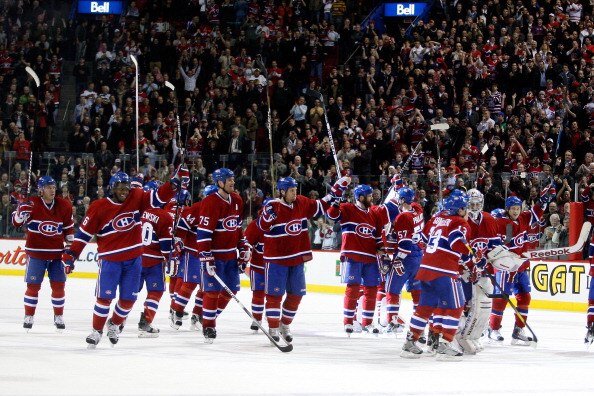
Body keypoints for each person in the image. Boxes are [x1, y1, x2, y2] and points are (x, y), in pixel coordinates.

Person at [62, 165, 189, 347]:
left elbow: (158, 197)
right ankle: (96, 331)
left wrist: (174, 184)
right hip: (110, 260)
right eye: (121, 188)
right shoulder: (99, 207)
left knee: (129, 299)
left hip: (134, 260)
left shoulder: (136, 197)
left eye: (127, 188)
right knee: (104, 298)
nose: (124, 192)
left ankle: (114, 323)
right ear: (112, 188)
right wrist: (71, 255)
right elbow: (83, 235)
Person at [258, 176, 350, 343]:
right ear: (282, 191)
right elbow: (262, 227)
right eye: (291, 190)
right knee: (274, 296)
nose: (295, 193)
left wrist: (337, 190)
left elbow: (321, 206)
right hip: (276, 259)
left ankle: (284, 324)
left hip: (297, 258)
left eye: (295, 190)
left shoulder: (301, 202)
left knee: (297, 295)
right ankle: (272, 327)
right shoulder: (272, 206)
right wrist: (266, 217)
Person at [400, 193, 472, 361]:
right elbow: (456, 242)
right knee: (456, 306)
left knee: (425, 307)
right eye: (465, 207)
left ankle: (410, 344)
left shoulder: (435, 219)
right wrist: (472, 257)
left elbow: (422, 241)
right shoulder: (460, 222)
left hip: (425, 269)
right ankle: (445, 345)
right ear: (460, 209)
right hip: (444, 270)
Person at [179, 168, 247, 343]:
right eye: (229, 179)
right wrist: (206, 256)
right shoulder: (210, 202)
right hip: (215, 256)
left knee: (232, 290)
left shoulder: (238, 200)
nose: (233, 182)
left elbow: (237, 228)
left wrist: (243, 245)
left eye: (233, 179)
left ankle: (209, 316)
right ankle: (209, 326)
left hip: (230, 256)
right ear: (220, 182)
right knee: (211, 292)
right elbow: (203, 234)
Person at [326, 184, 399, 334]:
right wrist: (335, 202)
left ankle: (367, 323)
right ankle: (348, 322)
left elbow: (378, 236)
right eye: (369, 196)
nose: (372, 199)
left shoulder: (373, 214)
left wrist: (383, 252)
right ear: (360, 197)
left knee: (371, 289)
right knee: (353, 288)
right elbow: (331, 215)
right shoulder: (347, 208)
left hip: (370, 257)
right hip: (352, 255)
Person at [488, 185, 553, 345]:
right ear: (508, 209)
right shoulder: (500, 223)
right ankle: (493, 329)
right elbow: (494, 245)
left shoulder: (524, 218)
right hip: (506, 266)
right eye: (513, 209)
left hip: (521, 266)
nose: (516, 211)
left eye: (518, 208)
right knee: (501, 298)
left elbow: (536, 212)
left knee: (525, 296)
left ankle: (518, 329)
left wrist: (543, 200)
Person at [12, 176, 74, 331]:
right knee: (33, 287)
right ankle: (29, 316)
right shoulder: (31, 203)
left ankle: (58, 316)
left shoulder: (64, 205)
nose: (52, 190)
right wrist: (20, 212)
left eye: (53, 187)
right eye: (48, 187)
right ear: (40, 190)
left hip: (56, 256)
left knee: (59, 287)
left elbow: (69, 230)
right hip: (36, 255)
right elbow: (16, 223)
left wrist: (69, 248)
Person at [136, 182, 189, 338]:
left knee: (129, 292)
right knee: (156, 291)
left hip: (135, 258)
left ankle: (116, 321)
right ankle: (145, 322)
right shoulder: (163, 215)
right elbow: (166, 246)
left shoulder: (135, 211)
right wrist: (170, 257)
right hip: (153, 262)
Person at [456, 189, 500, 354]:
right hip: (465, 270)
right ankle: (460, 335)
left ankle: (473, 335)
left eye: (477, 204)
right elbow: (459, 249)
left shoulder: (489, 219)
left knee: (483, 305)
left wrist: (490, 260)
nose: (474, 207)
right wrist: (467, 266)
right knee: (466, 303)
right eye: (471, 204)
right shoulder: (462, 222)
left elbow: (494, 246)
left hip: (484, 270)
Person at [169, 184, 218, 332]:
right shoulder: (195, 209)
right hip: (193, 252)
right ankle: (177, 311)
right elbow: (182, 228)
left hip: (210, 254)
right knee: (189, 284)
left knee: (206, 287)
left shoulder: (220, 209)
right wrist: (178, 241)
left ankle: (197, 315)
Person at [382, 187, 425, 334]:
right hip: (419, 255)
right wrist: (399, 185)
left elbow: (405, 244)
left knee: (391, 290)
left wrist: (397, 259)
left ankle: (393, 321)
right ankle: (418, 321)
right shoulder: (418, 210)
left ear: (401, 200)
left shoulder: (403, 218)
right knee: (417, 290)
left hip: (406, 257)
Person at [244, 199, 270, 331]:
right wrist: (245, 253)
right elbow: (246, 242)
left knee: (274, 295)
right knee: (258, 294)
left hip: (276, 268)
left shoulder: (281, 224)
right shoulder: (255, 225)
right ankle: (257, 319)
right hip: (258, 267)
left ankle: (272, 317)